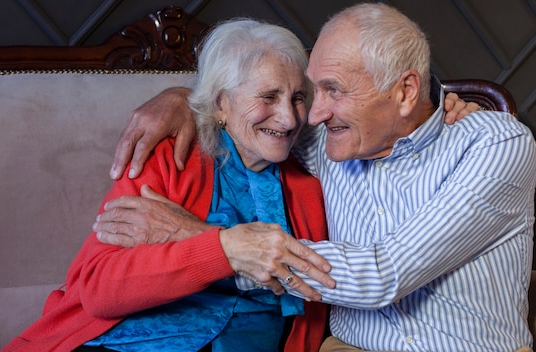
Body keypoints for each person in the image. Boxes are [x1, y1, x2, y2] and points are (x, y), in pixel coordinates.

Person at [96, 3, 536, 351]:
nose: (312, 115)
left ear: (404, 92)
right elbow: (255, 120)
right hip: (344, 348)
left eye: (333, 91)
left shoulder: (493, 144)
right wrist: (182, 99)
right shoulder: (324, 142)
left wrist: (205, 240)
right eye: (313, 91)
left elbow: (385, 274)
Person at [3, 18, 339, 352]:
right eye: (268, 97)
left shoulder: (308, 188)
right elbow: (99, 290)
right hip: (133, 341)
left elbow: (315, 289)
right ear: (221, 103)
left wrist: (194, 235)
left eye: (296, 98)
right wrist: (221, 249)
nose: (289, 118)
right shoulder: (170, 156)